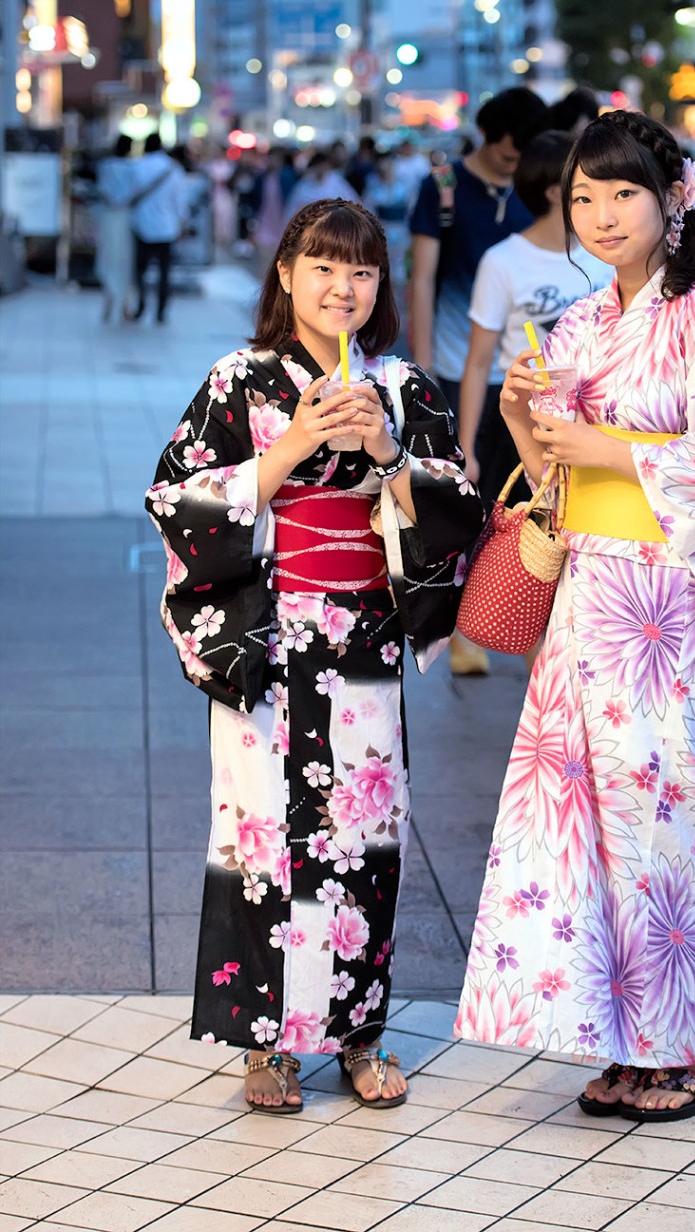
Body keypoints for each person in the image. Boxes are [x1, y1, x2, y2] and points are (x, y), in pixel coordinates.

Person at [455, 110, 695, 1123]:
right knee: (581, 821)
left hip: (661, 598)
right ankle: (621, 1039)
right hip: (585, 589)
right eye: (580, 197)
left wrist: (607, 450)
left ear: (671, 198)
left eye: (618, 194)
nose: (595, 215)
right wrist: (520, 419)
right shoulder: (582, 322)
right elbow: (549, 467)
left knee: (666, 815)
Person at [146, 199, 482, 1114]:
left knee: (364, 836)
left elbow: (457, 509)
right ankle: (267, 1044)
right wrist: (291, 443)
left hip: (361, 634)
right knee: (262, 836)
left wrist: (384, 452)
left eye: (364, 271)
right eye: (324, 267)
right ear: (286, 273)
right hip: (265, 637)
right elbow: (175, 498)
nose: (344, 286)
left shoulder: (404, 387)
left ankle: (357, 1033)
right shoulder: (239, 379)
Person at [409, 86, 547, 674]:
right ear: (489, 139)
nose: (516, 170)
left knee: (515, 497)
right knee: (467, 495)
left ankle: (507, 612)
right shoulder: (444, 189)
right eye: (509, 157)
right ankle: (462, 620)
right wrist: (417, 361)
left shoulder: (535, 194)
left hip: (514, 371)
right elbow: (422, 277)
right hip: (451, 360)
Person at [457, 129, 613, 508]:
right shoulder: (502, 261)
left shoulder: (607, 256)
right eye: (585, 184)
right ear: (554, 192)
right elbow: (478, 362)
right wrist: (465, 448)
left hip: (597, 417)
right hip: (521, 421)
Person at [128, 134, 189, 324]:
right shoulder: (173, 169)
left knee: (140, 270)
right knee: (165, 272)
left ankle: (141, 305)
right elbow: (180, 201)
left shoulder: (137, 166)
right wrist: (182, 222)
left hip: (141, 226)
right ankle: (161, 311)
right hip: (167, 228)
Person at [95, 134, 135, 324]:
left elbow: (103, 190)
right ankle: (125, 304)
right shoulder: (132, 168)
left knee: (108, 259)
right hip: (126, 217)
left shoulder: (105, 166)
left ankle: (109, 301)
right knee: (125, 261)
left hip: (109, 216)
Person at [363, 149, 412, 304]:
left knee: (400, 277)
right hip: (381, 233)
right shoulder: (373, 185)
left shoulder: (405, 185)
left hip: (402, 234)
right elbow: (367, 211)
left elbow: (411, 211)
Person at [283, 151, 359, 226]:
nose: (321, 168)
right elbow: (293, 208)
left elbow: (351, 200)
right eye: (318, 165)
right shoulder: (304, 184)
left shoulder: (337, 181)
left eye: (323, 165)